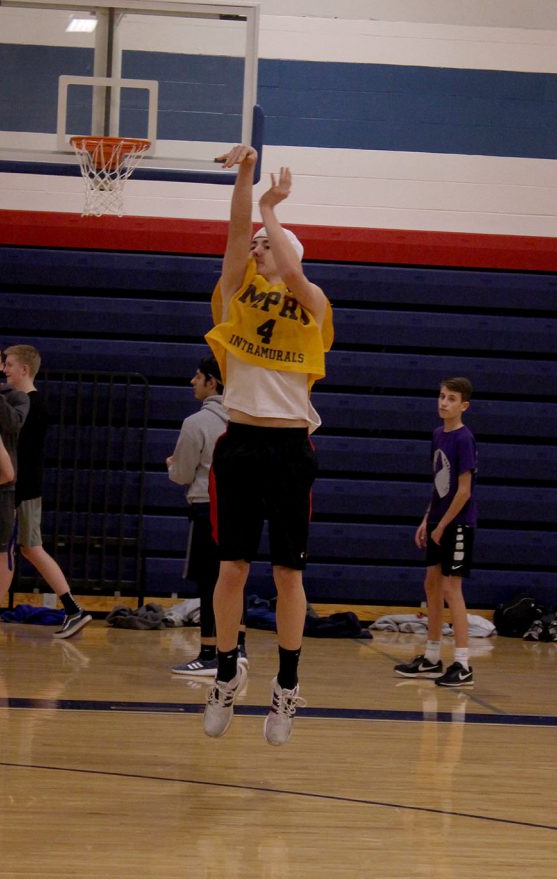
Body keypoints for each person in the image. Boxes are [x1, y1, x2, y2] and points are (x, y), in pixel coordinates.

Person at [202, 144, 333, 745]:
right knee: (231, 568)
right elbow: (234, 232)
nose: (257, 245)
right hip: (241, 443)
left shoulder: (312, 305)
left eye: (267, 243)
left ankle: (286, 686)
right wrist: (250, 182)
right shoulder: (235, 293)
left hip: (289, 449)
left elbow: (298, 273)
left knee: (286, 574)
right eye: (256, 241)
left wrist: (273, 213)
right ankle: (227, 672)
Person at [3, 344, 92, 639]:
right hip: (22, 488)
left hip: (21, 489)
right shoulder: (25, 402)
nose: (5, 369)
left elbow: (23, 456)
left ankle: (72, 608)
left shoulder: (31, 405)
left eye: (9, 364)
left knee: (21, 550)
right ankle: (72, 609)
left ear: (25, 369)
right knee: (26, 549)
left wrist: (12, 494)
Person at [167, 354, 248, 677]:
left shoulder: (196, 422)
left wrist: (173, 465)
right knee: (234, 578)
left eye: (197, 376)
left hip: (206, 507)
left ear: (212, 382)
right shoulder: (246, 419)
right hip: (243, 507)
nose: (192, 381)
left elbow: (183, 474)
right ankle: (237, 647)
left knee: (210, 580)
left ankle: (209, 653)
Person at [395, 377, 477, 687]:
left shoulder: (463, 439)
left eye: (451, 398)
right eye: (442, 396)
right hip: (438, 521)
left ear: (463, 405)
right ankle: (431, 657)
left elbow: (464, 490)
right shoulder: (437, 435)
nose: (444, 402)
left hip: (458, 524)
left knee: (450, 590)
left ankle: (463, 664)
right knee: (431, 585)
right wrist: (428, 519)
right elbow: (439, 483)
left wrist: (443, 525)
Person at [0, 339, 30, 620]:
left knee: (0, 551)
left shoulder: (15, 396)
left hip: (2, 488)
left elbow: (13, 425)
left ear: (1, 364)